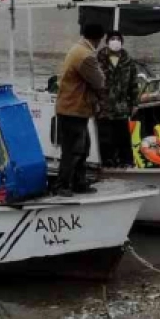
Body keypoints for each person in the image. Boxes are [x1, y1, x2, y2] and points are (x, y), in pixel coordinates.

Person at [54, 23, 107, 196]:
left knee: (82, 148)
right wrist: (103, 99)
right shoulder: (85, 56)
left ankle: (79, 183)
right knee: (73, 150)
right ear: (98, 38)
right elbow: (99, 82)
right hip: (73, 109)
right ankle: (63, 185)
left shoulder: (78, 49)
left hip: (72, 108)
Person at [96, 31, 140, 166]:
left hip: (121, 106)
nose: (115, 41)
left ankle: (127, 162)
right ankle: (107, 162)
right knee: (105, 137)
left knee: (124, 137)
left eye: (118, 39)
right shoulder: (98, 59)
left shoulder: (128, 61)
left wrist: (135, 103)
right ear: (107, 41)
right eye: (112, 39)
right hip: (103, 106)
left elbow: (134, 84)